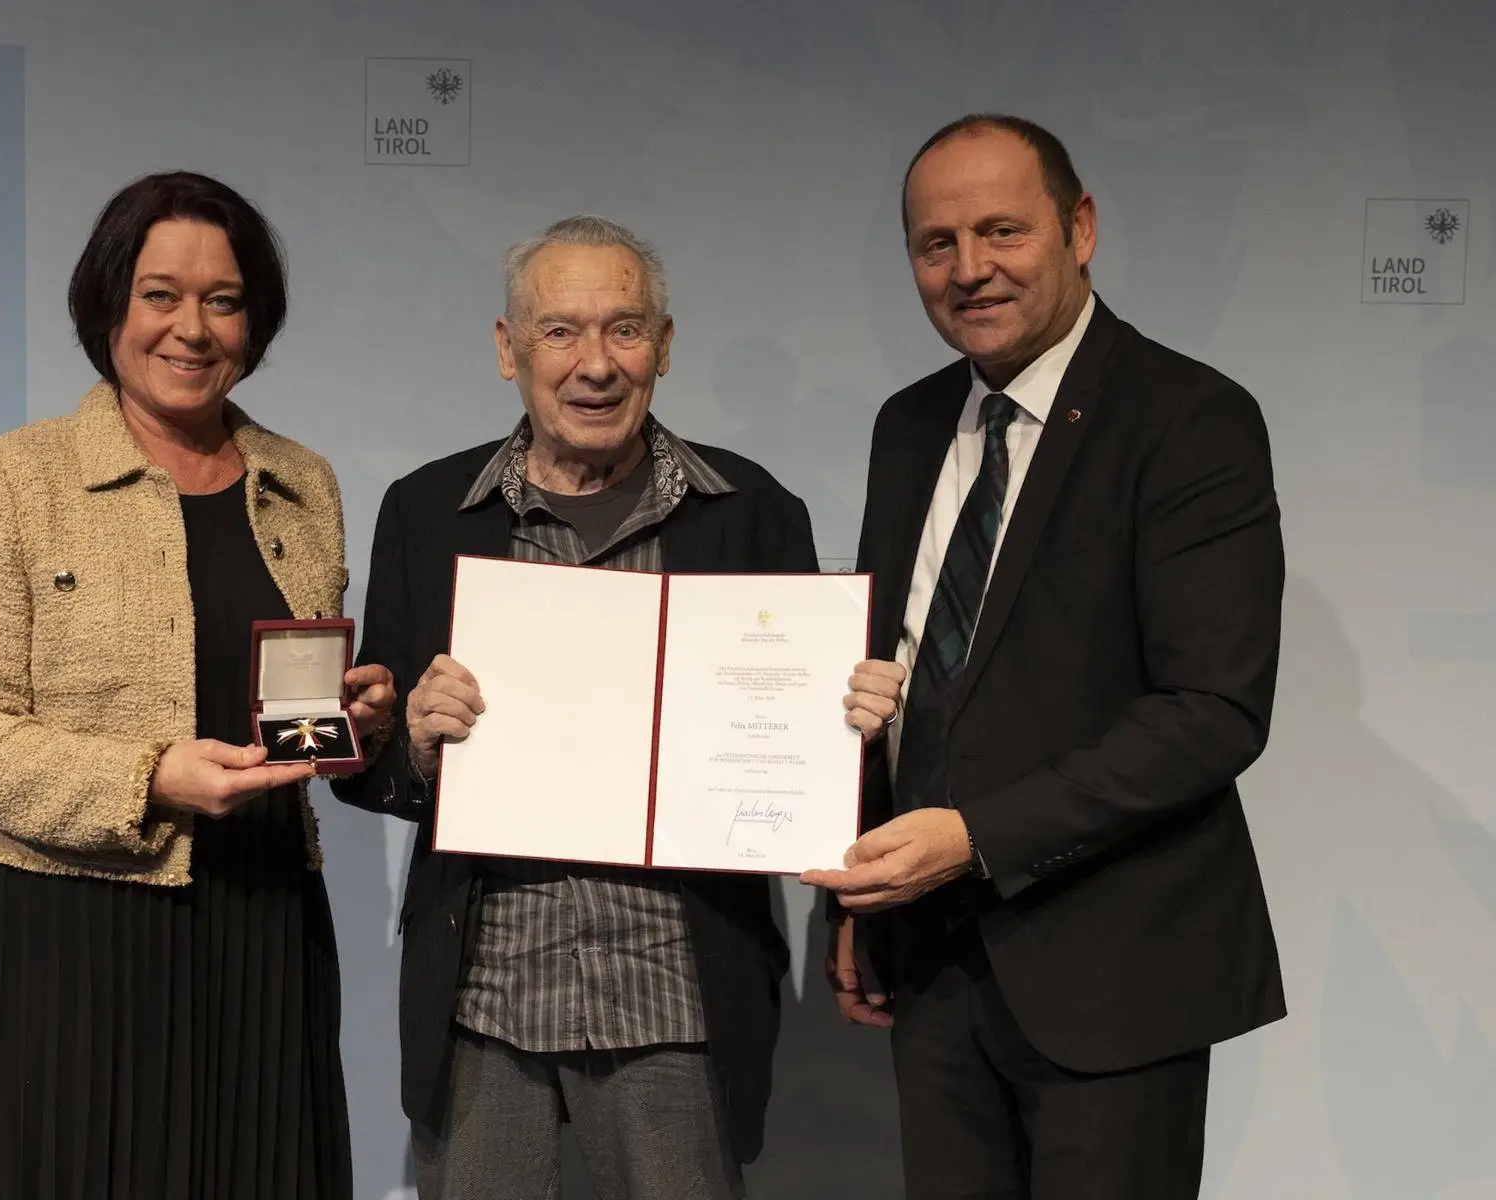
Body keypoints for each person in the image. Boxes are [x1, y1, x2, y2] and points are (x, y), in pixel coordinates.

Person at [803, 115, 1286, 1199]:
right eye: (937, 244)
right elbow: (902, 676)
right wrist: (854, 899)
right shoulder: (908, 424)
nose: (969, 269)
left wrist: (975, 839)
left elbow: (1211, 710)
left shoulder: (1190, 419)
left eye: (1002, 231)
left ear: (1080, 228)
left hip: (1112, 974)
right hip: (929, 969)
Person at [0, 170, 396, 1199]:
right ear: (109, 305)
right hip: (67, 939)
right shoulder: (17, 476)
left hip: (261, 920)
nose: (193, 328)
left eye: (223, 300)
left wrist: (357, 719)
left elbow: (286, 702)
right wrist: (149, 778)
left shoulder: (303, 483)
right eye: (160, 294)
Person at [331, 215, 816, 1199]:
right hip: (487, 1009)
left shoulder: (755, 513)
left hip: (678, 1009)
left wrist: (842, 726)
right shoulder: (428, 513)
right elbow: (370, 764)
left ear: (665, 347)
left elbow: (793, 757)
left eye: (624, 329)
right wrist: (413, 743)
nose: (594, 363)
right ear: (509, 350)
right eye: (560, 331)